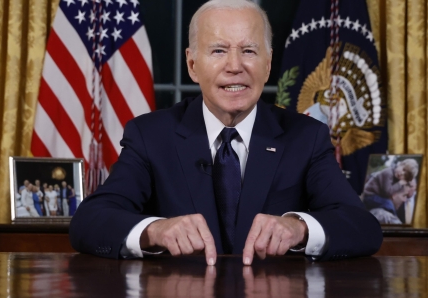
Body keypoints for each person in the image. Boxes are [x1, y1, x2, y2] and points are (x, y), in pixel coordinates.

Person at [69, 0, 382, 265]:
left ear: (268, 63)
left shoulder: (305, 137)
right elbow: (90, 221)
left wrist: (300, 228)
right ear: (193, 64)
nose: (235, 66)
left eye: (249, 51)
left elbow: (363, 227)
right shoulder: (151, 135)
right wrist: (154, 231)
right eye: (218, 51)